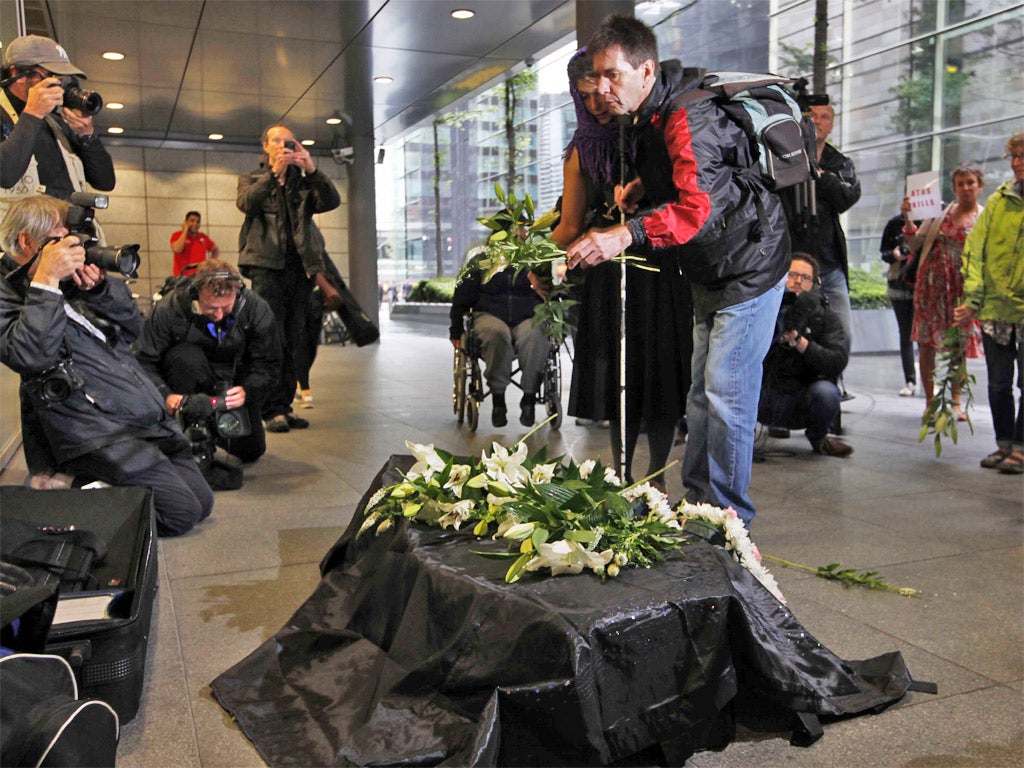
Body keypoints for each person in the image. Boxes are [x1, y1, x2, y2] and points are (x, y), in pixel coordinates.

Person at [566, 15, 789, 527]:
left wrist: (626, 232)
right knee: (701, 394)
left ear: (645, 70)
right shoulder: (654, 108)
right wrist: (644, 185)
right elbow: (698, 170)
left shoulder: (689, 115)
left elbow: (698, 209)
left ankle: (729, 526)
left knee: (725, 395)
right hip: (711, 267)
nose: (602, 89)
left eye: (612, 76)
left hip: (749, 265)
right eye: (596, 77)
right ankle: (698, 507)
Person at [0, 195, 212, 536]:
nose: (70, 249)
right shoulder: (15, 288)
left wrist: (99, 289)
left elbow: (134, 329)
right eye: (58, 240)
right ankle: (69, 485)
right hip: (90, 428)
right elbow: (31, 355)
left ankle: (112, 485)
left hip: (136, 412)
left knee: (202, 503)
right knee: (180, 513)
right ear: (27, 241)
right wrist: (46, 283)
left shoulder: (68, 279)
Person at [552, 47, 690, 489]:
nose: (597, 103)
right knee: (617, 374)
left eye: (602, 91)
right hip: (607, 273)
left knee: (662, 371)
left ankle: (658, 477)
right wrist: (535, 258)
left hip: (661, 263)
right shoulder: (579, 152)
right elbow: (570, 224)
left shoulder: (651, 129)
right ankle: (623, 473)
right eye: (585, 96)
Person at [237, 123, 341, 433]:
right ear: (265, 147)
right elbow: (246, 204)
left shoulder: (304, 184)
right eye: (277, 141)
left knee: (295, 340)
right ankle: (271, 409)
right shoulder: (252, 179)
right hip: (266, 267)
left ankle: (284, 406)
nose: (285, 146)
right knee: (271, 339)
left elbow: (332, 201)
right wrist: (274, 174)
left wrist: (313, 170)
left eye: (289, 141)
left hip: (300, 270)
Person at [135, 258, 281, 470]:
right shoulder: (171, 308)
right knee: (184, 357)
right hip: (187, 381)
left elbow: (270, 366)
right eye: (211, 308)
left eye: (226, 307)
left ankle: (212, 429)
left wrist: (248, 391)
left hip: (231, 390)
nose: (219, 315)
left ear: (237, 296)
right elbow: (143, 361)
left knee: (252, 450)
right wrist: (165, 395)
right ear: (196, 296)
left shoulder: (257, 310)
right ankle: (186, 433)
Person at [955, 134, 1023, 475]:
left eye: (1023, 157)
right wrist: (974, 297)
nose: (1016, 163)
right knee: (997, 384)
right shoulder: (999, 200)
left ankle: (1021, 448)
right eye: (1014, 156)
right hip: (996, 310)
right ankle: (1003, 444)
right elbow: (975, 250)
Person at [902, 162, 985, 418]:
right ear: (953, 188)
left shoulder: (984, 217)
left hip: (962, 290)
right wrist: (907, 217)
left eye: (970, 182)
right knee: (927, 344)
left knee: (958, 345)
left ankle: (956, 401)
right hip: (931, 289)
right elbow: (914, 243)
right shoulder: (939, 214)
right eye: (960, 183)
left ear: (980, 186)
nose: (965, 188)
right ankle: (930, 401)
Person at [784, 100, 860, 364]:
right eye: (812, 116)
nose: (817, 121)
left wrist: (822, 176)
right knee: (790, 329)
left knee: (842, 332)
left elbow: (848, 197)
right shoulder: (785, 158)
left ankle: (832, 381)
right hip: (793, 261)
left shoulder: (839, 163)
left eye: (824, 117)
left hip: (829, 264)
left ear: (831, 124)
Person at [1, 35, 115, 206]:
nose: (58, 85)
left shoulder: (56, 123)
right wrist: (32, 114)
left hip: (67, 229)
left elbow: (105, 182)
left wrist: (87, 135)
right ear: (17, 73)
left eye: (61, 78)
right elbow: (6, 174)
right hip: (23, 231)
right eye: (50, 76)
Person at [759, 254, 853, 457]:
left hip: (805, 397)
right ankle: (740, 443)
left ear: (815, 283)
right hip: (765, 395)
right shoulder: (763, 310)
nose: (798, 281)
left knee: (827, 393)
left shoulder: (825, 315)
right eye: (792, 275)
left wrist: (801, 343)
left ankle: (819, 438)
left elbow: (837, 360)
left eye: (805, 277)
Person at [450, 260, 548, 428]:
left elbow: (550, 289)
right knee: (496, 333)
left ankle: (529, 398)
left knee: (536, 335)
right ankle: (498, 400)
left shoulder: (534, 258)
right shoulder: (482, 261)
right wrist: (456, 329)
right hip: (489, 313)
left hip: (527, 314)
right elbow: (462, 295)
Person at [879, 212, 919, 396]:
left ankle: (931, 381)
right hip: (899, 284)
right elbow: (884, 253)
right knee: (906, 333)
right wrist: (894, 254)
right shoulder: (894, 222)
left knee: (928, 339)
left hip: (926, 284)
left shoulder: (933, 221)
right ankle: (910, 379)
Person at [170, 211, 219, 276]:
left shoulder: (203, 237)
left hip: (199, 277)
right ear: (186, 222)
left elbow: (215, 250)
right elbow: (177, 249)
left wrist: (210, 264)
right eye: (192, 221)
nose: (195, 224)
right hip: (182, 278)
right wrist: (185, 230)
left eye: (198, 222)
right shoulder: (177, 235)